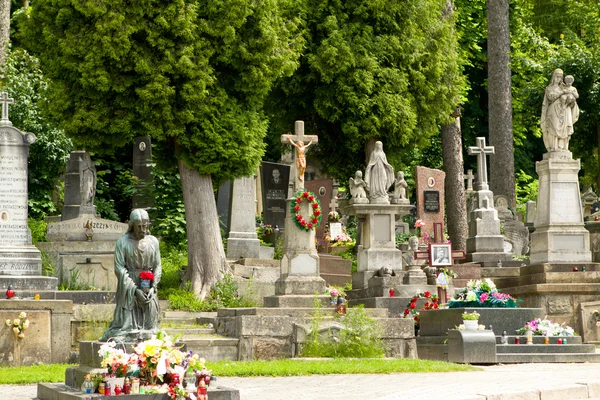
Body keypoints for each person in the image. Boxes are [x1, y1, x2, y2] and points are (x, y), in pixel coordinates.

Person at [101, 209, 162, 341]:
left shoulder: (153, 242)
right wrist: (135, 290)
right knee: (126, 328)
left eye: (145, 226)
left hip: (148, 283)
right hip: (129, 284)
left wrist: (153, 287)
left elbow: (158, 266)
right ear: (132, 225)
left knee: (151, 327)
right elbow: (119, 269)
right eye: (139, 226)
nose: (143, 230)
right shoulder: (122, 242)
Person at [541, 69, 579, 152]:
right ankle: (553, 147)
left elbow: (573, 98)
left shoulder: (565, 87)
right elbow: (551, 97)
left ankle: (562, 147)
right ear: (554, 77)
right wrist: (562, 93)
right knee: (553, 127)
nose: (559, 79)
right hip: (553, 110)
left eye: (560, 77)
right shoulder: (549, 88)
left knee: (564, 129)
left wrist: (571, 101)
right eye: (557, 76)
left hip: (564, 110)